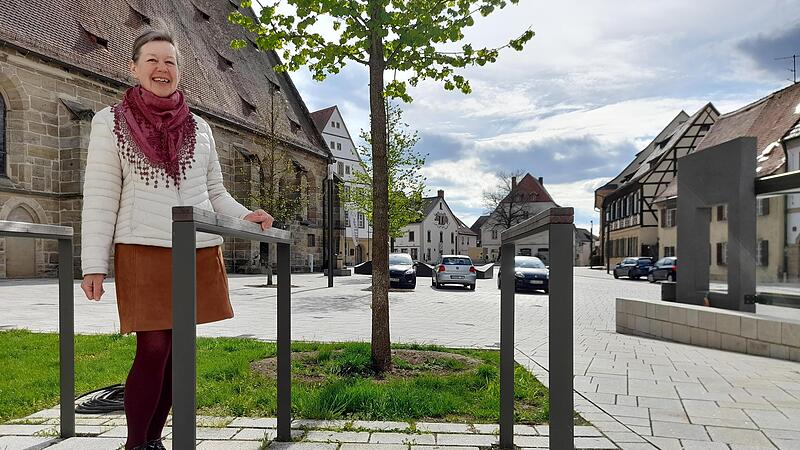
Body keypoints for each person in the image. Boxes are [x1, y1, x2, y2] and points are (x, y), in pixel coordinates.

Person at [80, 29, 273, 450]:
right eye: (151, 60)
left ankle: (153, 441)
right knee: (153, 347)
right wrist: (93, 263)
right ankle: (135, 444)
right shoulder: (109, 121)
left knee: (176, 352)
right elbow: (100, 195)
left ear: (180, 71)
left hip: (197, 249)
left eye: (169, 61)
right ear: (133, 68)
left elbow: (215, 193)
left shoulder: (200, 128)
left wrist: (246, 215)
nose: (161, 69)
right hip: (142, 247)